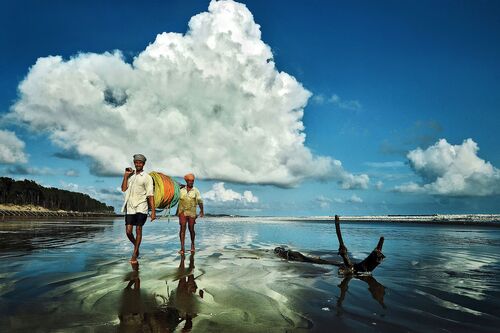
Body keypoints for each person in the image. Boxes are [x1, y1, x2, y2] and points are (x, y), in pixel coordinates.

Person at [121, 154, 156, 263]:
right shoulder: (131, 176)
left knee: (138, 230)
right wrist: (126, 176)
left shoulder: (147, 177)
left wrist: (153, 212)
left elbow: (150, 195)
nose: (138, 164)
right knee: (128, 232)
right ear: (134, 163)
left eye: (140, 162)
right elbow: (123, 189)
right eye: (136, 162)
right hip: (130, 207)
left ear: (143, 164)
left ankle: (134, 254)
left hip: (142, 206)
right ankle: (137, 247)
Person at [177, 173, 204, 254]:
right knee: (182, 228)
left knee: (191, 229)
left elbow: (200, 201)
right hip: (182, 211)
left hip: (192, 213)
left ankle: (192, 244)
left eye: (193, 181)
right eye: (189, 181)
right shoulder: (181, 190)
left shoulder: (196, 190)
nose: (191, 182)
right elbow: (174, 197)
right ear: (186, 181)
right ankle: (182, 248)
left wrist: (202, 211)